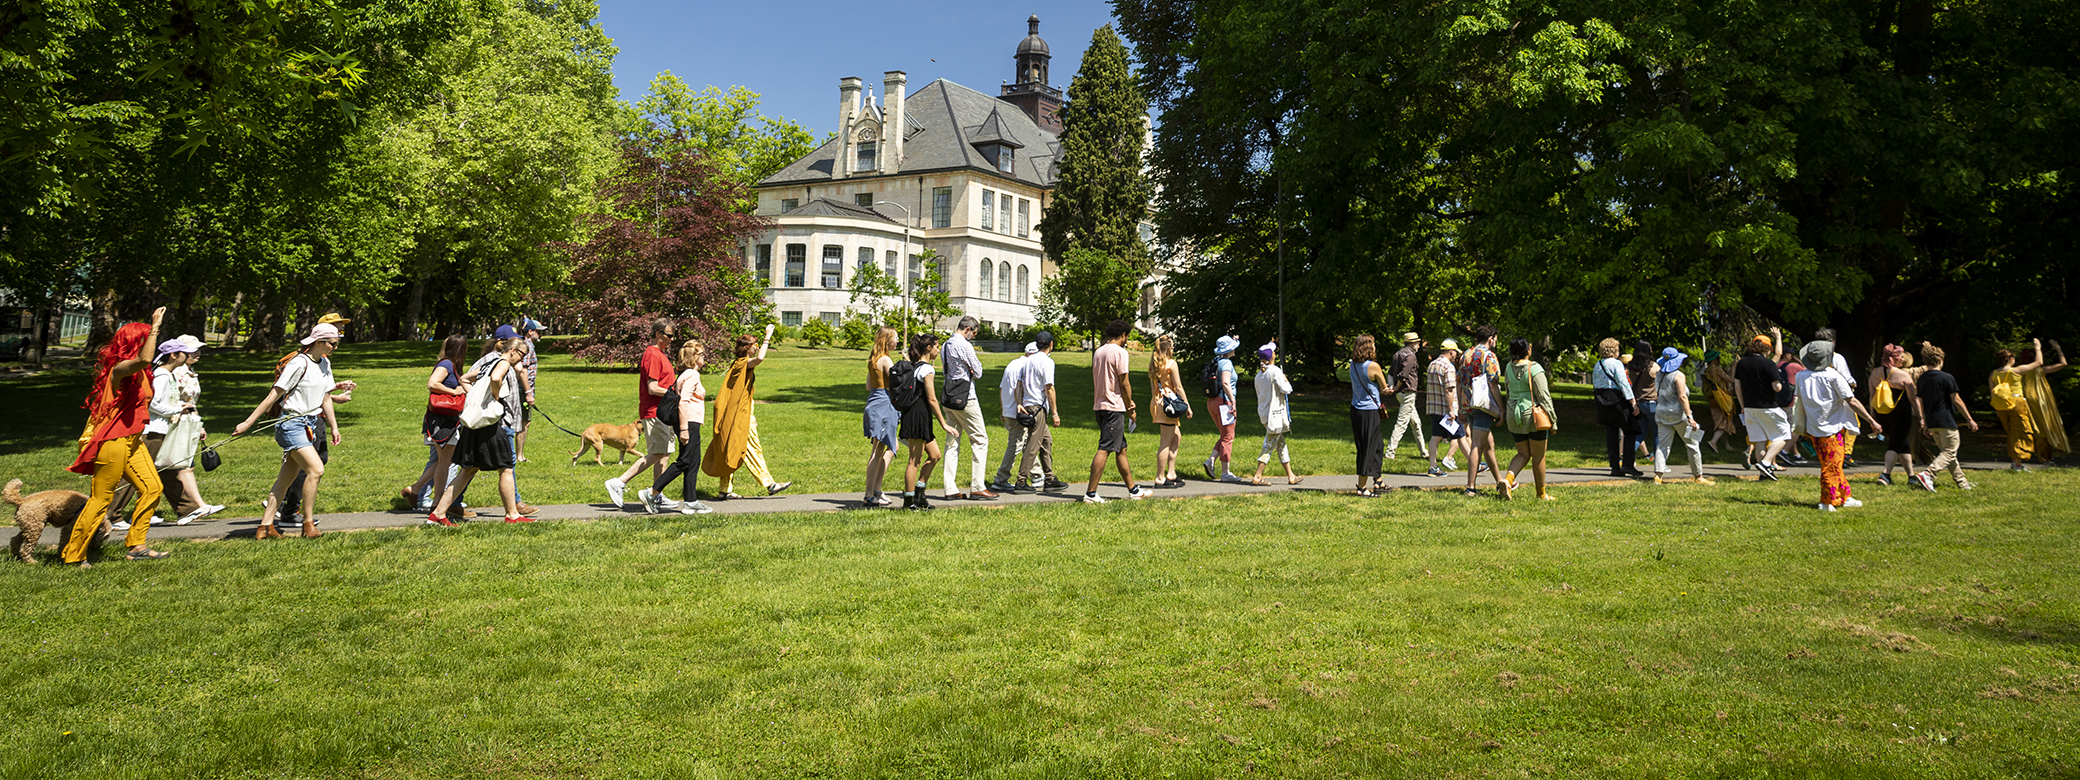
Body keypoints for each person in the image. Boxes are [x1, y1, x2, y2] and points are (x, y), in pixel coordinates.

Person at [63, 309, 172, 566]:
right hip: (112, 442)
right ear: (137, 342)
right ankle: (73, 555)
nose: (152, 345)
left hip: (133, 441)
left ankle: (136, 545)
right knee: (102, 499)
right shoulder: (120, 369)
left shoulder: (143, 373)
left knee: (152, 488)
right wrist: (155, 326)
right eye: (148, 339)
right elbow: (144, 359)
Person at [233, 322, 345, 539]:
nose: (335, 347)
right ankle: (308, 524)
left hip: (310, 424)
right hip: (291, 424)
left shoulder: (325, 364)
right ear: (319, 342)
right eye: (332, 343)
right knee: (316, 469)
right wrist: (248, 423)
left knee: (286, 477)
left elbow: (326, 396)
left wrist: (334, 426)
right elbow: (273, 395)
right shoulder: (298, 363)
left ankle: (265, 527)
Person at [431, 336, 530, 524]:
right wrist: (494, 395)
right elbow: (495, 378)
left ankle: (438, 513)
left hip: (474, 425)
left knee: (468, 470)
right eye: (522, 355)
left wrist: (474, 395)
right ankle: (512, 515)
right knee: (506, 468)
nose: (522, 359)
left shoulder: (489, 362)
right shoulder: (502, 363)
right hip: (489, 426)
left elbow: (465, 379)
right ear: (513, 351)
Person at [275, 313, 358, 528]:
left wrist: (336, 397)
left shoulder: (323, 361)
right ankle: (292, 512)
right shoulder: (302, 359)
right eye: (337, 331)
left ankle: (278, 513)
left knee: (305, 464)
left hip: (314, 418)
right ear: (321, 336)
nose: (340, 336)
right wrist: (248, 422)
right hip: (301, 419)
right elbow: (282, 392)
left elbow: (321, 391)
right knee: (313, 465)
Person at [702, 326, 793, 498]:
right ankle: (769, 484)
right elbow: (760, 358)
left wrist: (752, 414)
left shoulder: (737, 364)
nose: (757, 347)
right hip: (738, 417)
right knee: (752, 448)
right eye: (755, 344)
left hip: (740, 413)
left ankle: (724, 490)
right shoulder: (743, 363)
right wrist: (768, 337)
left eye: (758, 344)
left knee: (730, 449)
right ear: (746, 348)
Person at [1797, 341, 1883, 511]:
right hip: (1833, 426)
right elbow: (1852, 400)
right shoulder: (1832, 375)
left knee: (1831, 463)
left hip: (1814, 426)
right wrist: (1871, 420)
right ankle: (1827, 501)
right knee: (1831, 465)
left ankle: (1844, 495)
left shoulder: (1801, 376)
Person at [145, 336, 222, 524]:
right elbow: (157, 402)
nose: (194, 353)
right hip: (166, 425)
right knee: (156, 469)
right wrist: (178, 410)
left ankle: (188, 509)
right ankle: (116, 513)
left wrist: (196, 421)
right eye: (188, 350)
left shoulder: (183, 372)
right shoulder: (167, 374)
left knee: (169, 468)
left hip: (179, 423)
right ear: (175, 354)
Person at [606, 320, 679, 510]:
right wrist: (676, 394)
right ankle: (619, 482)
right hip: (655, 411)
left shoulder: (660, 354)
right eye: (669, 335)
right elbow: (652, 387)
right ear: (657, 333)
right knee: (657, 452)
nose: (672, 339)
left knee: (664, 453)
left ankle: (657, 493)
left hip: (664, 411)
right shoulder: (653, 355)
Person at [1084, 320, 1150, 503]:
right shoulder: (1120, 352)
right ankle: (1090, 494)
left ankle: (1133, 490)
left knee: (1121, 449)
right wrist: (1130, 407)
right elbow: (1125, 382)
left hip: (1100, 405)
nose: (1126, 340)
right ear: (1123, 335)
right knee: (1105, 448)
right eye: (1126, 336)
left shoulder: (1098, 351)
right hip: (1114, 407)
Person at [645, 338, 712, 514]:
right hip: (688, 423)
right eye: (702, 354)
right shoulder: (692, 375)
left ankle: (691, 501)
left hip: (691, 422)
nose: (704, 357)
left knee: (693, 462)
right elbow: (682, 402)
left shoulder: (685, 374)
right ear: (694, 357)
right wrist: (683, 429)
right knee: (684, 461)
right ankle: (652, 492)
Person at [894, 334, 959, 510]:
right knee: (914, 460)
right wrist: (944, 424)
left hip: (919, 416)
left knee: (935, 455)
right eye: (937, 346)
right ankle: (908, 502)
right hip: (917, 416)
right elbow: (932, 400)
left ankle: (920, 493)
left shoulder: (915, 365)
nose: (938, 350)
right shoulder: (927, 370)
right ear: (929, 347)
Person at [408, 335, 470, 514]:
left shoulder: (452, 366)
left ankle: (416, 490)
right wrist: (454, 391)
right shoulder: (447, 365)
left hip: (447, 418)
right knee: (445, 461)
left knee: (442, 460)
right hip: (441, 419)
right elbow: (432, 383)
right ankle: (436, 502)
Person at [936, 317, 996, 500]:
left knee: (952, 442)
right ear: (968, 329)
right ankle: (977, 486)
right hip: (966, 397)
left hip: (949, 396)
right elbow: (978, 371)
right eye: (975, 332)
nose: (974, 336)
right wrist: (970, 370)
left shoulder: (946, 345)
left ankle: (950, 488)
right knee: (980, 439)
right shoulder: (965, 345)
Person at [1910, 343, 1977, 491]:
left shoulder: (1922, 379)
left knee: (1947, 454)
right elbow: (1957, 399)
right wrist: (1969, 419)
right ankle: (1928, 474)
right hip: (1946, 420)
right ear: (1940, 360)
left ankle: (1962, 483)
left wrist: (1925, 423)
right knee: (1949, 451)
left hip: (1932, 421)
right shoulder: (1947, 377)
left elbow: (1921, 403)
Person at [1501, 337, 1557, 500]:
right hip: (1532, 415)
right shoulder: (1535, 368)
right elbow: (1544, 397)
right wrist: (1553, 421)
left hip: (1514, 414)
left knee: (1522, 453)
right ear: (1528, 350)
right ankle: (1541, 494)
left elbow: (1508, 391)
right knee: (1538, 456)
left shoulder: (1509, 368)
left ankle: (1508, 480)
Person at [1460, 325, 1510, 498]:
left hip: (1468, 405)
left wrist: (1461, 406)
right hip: (1482, 406)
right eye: (1495, 339)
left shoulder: (1465, 355)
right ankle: (1470, 488)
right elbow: (1493, 383)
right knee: (1477, 444)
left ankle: (1499, 482)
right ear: (1491, 338)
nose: (1496, 342)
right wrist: (1501, 409)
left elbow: (1461, 382)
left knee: (1489, 444)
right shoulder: (1489, 356)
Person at [1650, 348, 1712, 485]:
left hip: (1661, 413)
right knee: (1692, 444)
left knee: (1662, 445)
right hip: (1679, 415)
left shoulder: (1658, 374)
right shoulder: (1679, 376)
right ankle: (1698, 476)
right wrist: (1690, 417)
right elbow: (1682, 397)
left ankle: (1658, 476)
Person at [1732, 335, 1790, 481]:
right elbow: (1776, 387)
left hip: (1750, 408)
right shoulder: (1768, 364)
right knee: (1783, 435)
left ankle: (1764, 475)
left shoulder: (1742, 363)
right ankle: (1765, 463)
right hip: (1768, 407)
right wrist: (1781, 385)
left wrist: (1743, 406)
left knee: (1759, 441)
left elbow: (1737, 386)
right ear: (1767, 348)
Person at [1014, 332, 1066, 492]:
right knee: (1033, 444)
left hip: (1028, 406)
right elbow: (1049, 388)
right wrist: (1055, 413)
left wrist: (1019, 403)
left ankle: (1049, 479)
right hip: (1038, 408)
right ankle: (1021, 481)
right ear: (1051, 344)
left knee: (1046, 441)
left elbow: (1019, 383)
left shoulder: (1028, 360)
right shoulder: (1047, 362)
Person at [989, 342, 1041, 493]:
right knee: (1016, 445)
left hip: (1008, 410)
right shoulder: (1027, 366)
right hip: (1018, 411)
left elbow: (1001, 388)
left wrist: (1002, 408)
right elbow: (1024, 390)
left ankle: (1037, 474)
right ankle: (1001, 478)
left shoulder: (1012, 364)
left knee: (1025, 443)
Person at [1989, 341, 2047, 471]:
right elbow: (2039, 363)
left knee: (2011, 433)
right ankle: (2017, 463)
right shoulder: (2016, 371)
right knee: (2020, 432)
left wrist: (1997, 411)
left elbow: (1992, 394)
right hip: (2017, 403)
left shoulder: (1993, 374)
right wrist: (2038, 348)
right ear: (2011, 359)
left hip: (2001, 406)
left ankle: (2015, 461)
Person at [1250, 341, 1301, 486]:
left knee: (1280, 444)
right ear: (1272, 356)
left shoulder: (1259, 375)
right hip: (1275, 415)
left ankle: (1291, 476)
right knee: (1269, 444)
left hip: (1265, 415)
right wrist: (1286, 380)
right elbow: (1286, 389)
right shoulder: (1275, 371)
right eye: (1274, 352)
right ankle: (1258, 475)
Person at [863, 327, 903, 507]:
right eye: (895, 338)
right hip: (883, 405)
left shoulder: (873, 359)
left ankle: (877, 489)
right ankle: (869, 494)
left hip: (874, 401)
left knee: (892, 445)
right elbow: (898, 383)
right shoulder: (886, 360)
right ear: (886, 340)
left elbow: (868, 386)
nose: (897, 341)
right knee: (877, 451)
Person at [1868, 344, 1918, 485]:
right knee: (1895, 445)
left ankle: (1912, 476)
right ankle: (1885, 474)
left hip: (1881, 414)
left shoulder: (1874, 374)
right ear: (1894, 358)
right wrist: (1920, 416)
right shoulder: (1903, 375)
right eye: (1900, 356)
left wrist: (1873, 418)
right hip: (1900, 415)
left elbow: (1872, 396)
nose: (1902, 359)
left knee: (1903, 444)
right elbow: (1912, 399)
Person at [1147, 334, 1193, 488]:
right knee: (1165, 443)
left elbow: (1153, 389)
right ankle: (1160, 478)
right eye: (1173, 347)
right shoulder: (1171, 364)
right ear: (1168, 349)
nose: (1174, 349)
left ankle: (1171, 473)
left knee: (1176, 437)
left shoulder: (1154, 364)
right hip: (1168, 405)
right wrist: (1187, 405)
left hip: (1158, 403)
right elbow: (1178, 387)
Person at [1591, 338, 1640, 478]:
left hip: (1601, 400)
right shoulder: (1616, 364)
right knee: (1629, 430)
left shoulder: (1598, 364)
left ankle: (1614, 467)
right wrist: (1632, 401)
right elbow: (1623, 382)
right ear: (1614, 350)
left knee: (1611, 434)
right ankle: (1628, 464)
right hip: (1616, 398)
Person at [2014, 340, 2069, 463]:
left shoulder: (2018, 371)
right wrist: (2059, 350)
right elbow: (2063, 364)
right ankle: (2044, 457)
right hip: (2039, 401)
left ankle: (2021, 456)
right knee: (2042, 428)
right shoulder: (2040, 370)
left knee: (2026, 428)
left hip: (2022, 400)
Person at [1348, 335, 1388, 495]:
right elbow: (1384, 388)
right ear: (1368, 348)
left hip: (1356, 410)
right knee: (1367, 449)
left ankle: (1378, 480)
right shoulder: (1373, 366)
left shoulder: (1353, 365)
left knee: (1377, 445)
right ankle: (1361, 487)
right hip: (1369, 412)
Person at [1201, 335, 1243, 483]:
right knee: (1228, 437)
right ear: (1229, 349)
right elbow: (1225, 383)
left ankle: (1211, 460)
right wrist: (1233, 401)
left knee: (1224, 434)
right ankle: (1225, 472)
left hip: (1212, 402)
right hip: (1224, 403)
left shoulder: (1216, 361)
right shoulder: (1226, 363)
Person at [1425, 338, 1467, 477]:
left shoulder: (1432, 364)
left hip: (1434, 407)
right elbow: (1449, 390)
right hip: (1447, 410)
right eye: (1455, 352)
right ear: (1451, 351)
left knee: (1435, 437)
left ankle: (1433, 467)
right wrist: (1451, 410)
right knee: (1461, 436)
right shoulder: (1448, 367)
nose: (1456, 355)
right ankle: (1475, 464)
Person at [1386, 332, 1430, 461]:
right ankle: (1390, 452)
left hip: (1401, 394)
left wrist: (1391, 387)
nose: (1418, 346)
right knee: (1402, 424)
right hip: (1407, 393)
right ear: (1413, 343)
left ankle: (1423, 451)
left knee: (1416, 423)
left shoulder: (1397, 354)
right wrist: (1396, 387)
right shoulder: (1411, 356)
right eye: (1417, 343)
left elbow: (1390, 373)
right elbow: (1403, 375)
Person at [514, 317, 542, 462]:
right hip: (522, 390)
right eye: (538, 332)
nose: (541, 334)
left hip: (524, 390)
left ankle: (520, 455)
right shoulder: (527, 346)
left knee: (525, 422)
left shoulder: (529, 345)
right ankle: (519, 456)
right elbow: (522, 370)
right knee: (523, 422)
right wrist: (528, 392)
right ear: (530, 332)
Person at [1701, 351, 1740, 452]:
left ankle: (1726, 445)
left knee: (1720, 421)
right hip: (1721, 399)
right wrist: (1733, 367)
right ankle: (1713, 442)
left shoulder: (1707, 370)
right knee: (1723, 423)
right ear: (1715, 359)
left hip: (1712, 398)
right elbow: (1731, 379)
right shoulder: (1717, 369)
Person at [1628, 339, 1659, 463]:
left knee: (1640, 433)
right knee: (1657, 433)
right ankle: (1658, 462)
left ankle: (1627, 457)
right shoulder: (1653, 366)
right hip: (1652, 402)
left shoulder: (1632, 366)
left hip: (1639, 403)